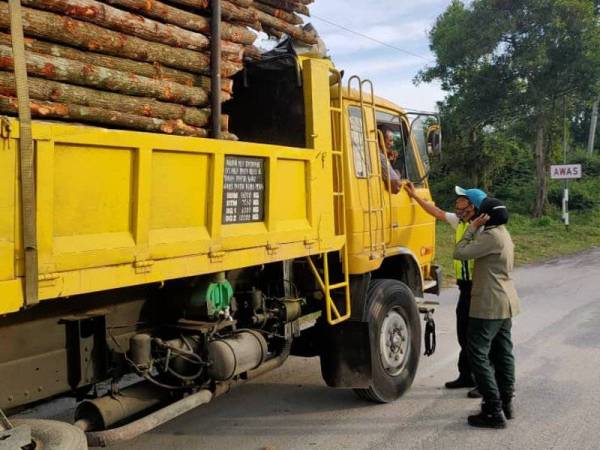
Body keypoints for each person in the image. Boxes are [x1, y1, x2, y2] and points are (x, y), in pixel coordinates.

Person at [404, 183, 487, 395]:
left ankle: (484, 382)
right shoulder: (460, 222)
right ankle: (466, 375)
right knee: (463, 334)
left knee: (477, 337)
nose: (457, 203)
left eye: (462, 200)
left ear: (473, 206)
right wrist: (415, 196)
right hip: (464, 287)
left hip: (479, 288)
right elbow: (437, 212)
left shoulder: (483, 229)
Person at [453, 197, 521, 429]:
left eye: (480, 214)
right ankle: (506, 402)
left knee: (478, 354)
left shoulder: (489, 237)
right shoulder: (503, 233)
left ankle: (492, 408)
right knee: (503, 353)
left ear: (486, 217)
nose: (476, 216)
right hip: (505, 300)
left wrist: (471, 229)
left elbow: (459, 252)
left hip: (489, 303)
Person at [379, 127, 402, 194]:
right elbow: (396, 186)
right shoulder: (381, 157)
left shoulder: (383, 155)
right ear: (381, 140)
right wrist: (397, 173)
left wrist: (390, 161)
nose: (392, 144)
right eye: (390, 140)